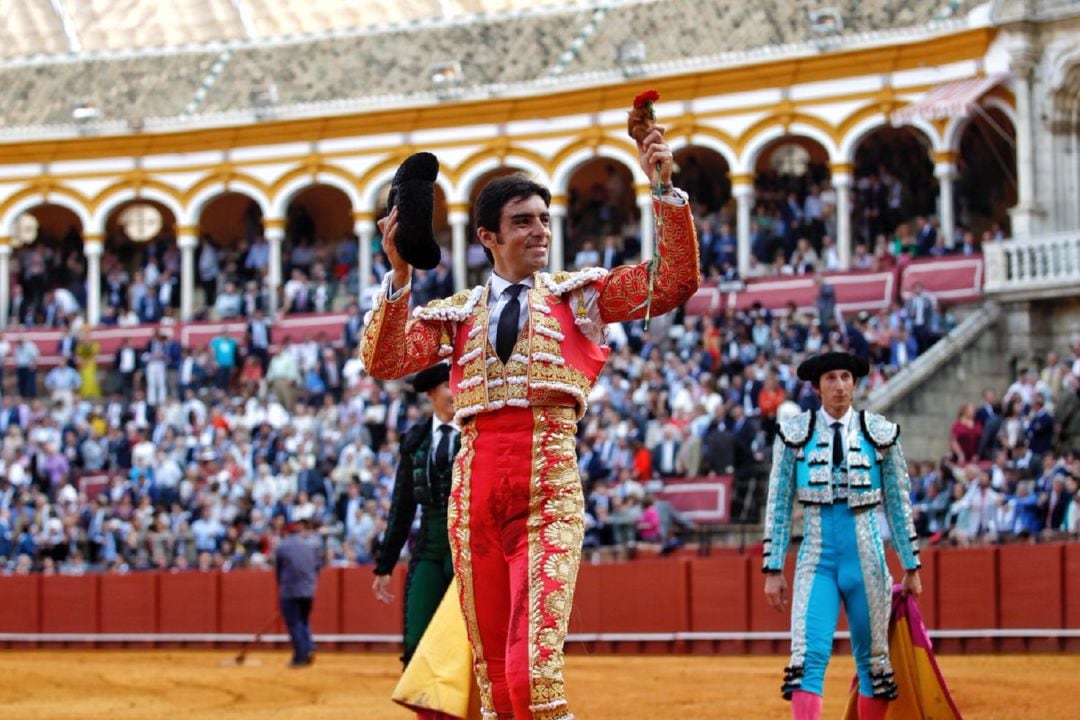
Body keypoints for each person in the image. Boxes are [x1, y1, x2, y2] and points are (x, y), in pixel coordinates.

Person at [361, 122, 698, 719]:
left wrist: (664, 188)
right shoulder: (458, 313)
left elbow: (672, 282)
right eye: (524, 221)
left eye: (544, 218)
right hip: (472, 502)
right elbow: (384, 360)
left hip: (547, 496)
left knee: (532, 679)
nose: (540, 230)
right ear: (489, 236)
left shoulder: (580, 297)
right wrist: (401, 279)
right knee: (495, 687)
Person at [762, 351, 921, 720]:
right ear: (817, 387)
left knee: (875, 663)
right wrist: (772, 569)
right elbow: (779, 505)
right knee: (806, 660)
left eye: (846, 377)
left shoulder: (881, 435)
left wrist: (911, 564)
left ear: (855, 383)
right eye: (831, 378)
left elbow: (898, 504)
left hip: (866, 560)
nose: (840, 385)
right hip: (817, 560)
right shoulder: (793, 436)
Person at [374, 361, 465, 720]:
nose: (456, 391)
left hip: (468, 550)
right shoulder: (416, 442)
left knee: (470, 644)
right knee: (416, 643)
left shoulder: (478, 432)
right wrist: (384, 564)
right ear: (431, 394)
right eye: (449, 385)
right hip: (428, 547)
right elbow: (401, 507)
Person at [274, 518, 322, 668]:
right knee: (304, 620)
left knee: (294, 623)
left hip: (289, 591)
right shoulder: (312, 547)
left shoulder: (282, 547)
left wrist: (282, 586)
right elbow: (317, 568)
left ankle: (301, 656)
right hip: (308, 590)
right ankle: (308, 647)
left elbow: (278, 571)